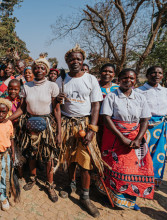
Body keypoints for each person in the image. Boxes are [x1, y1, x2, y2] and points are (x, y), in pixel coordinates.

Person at [56, 44, 103, 217]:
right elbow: (55, 104)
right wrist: (57, 99)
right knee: (70, 159)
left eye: (78, 59)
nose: (75, 61)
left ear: (83, 61)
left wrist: (92, 129)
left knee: (86, 162)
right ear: (67, 62)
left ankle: (85, 196)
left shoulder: (90, 79)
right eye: (72, 59)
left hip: (84, 124)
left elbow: (96, 105)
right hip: (67, 123)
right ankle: (70, 184)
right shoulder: (61, 80)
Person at [8, 54, 61, 203]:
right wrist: (8, 119)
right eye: (36, 68)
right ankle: (32, 178)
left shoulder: (52, 86)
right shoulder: (26, 86)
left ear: (46, 70)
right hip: (30, 123)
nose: (38, 70)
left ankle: (50, 185)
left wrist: (59, 132)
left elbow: (57, 110)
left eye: (42, 68)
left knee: (49, 155)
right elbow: (22, 109)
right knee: (32, 153)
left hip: (47, 124)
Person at [99, 68, 154, 210]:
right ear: (119, 79)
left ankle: (130, 200)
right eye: (124, 78)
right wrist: (121, 138)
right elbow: (106, 118)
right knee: (114, 167)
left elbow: (144, 120)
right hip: (114, 138)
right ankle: (111, 197)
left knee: (133, 169)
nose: (128, 81)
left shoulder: (140, 97)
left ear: (135, 81)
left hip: (135, 139)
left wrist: (138, 139)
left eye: (131, 78)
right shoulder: (112, 96)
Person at [135, 66, 167, 189]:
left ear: (162, 75)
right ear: (147, 75)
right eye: (153, 73)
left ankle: (153, 181)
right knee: (143, 153)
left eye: (160, 73)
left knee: (159, 153)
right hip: (145, 125)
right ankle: (140, 180)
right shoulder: (139, 91)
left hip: (162, 127)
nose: (156, 75)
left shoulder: (166, 91)